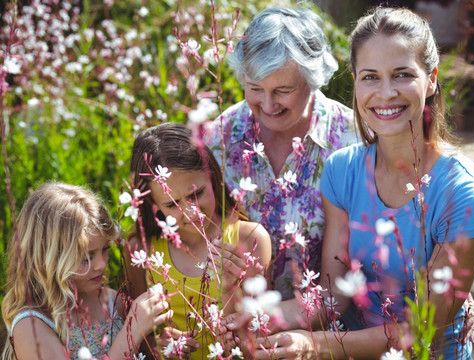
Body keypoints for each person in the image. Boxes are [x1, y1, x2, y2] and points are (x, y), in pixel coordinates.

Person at [251, 7, 474, 359]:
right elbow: (333, 297)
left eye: (402, 75)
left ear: (431, 80)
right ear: (354, 80)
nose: (385, 93)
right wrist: (255, 320)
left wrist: (314, 346)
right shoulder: (342, 170)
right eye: (370, 76)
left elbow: (422, 330)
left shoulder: (464, 192)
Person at [204, 6, 358, 301]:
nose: (268, 104)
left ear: (312, 81)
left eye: (283, 90)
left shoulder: (351, 139)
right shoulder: (220, 137)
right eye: (255, 88)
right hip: (237, 322)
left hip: (330, 331)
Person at [126, 122, 272, 359]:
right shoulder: (141, 249)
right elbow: (137, 336)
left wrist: (229, 290)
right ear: (152, 205)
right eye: (172, 204)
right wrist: (157, 346)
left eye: (197, 193)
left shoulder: (250, 239)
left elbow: (253, 340)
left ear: (212, 178)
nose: (192, 212)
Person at [1, 181, 172, 360]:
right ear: (48, 261)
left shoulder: (114, 303)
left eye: (105, 249)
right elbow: (125, 345)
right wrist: (132, 332)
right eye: (86, 258)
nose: (101, 264)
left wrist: (156, 348)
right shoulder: (32, 326)